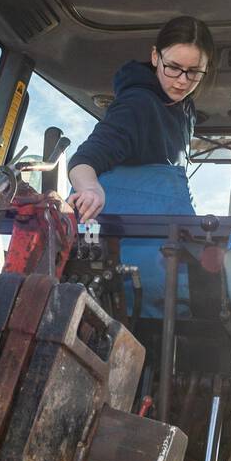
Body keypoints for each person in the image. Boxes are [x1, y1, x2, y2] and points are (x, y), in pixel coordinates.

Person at [66, 16, 217, 320]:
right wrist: (90, 187)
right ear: (154, 57)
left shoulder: (184, 109)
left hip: (163, 244)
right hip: (130, 252)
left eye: (194, 72)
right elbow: (84, 160)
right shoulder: (138, 104)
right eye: (173, 67)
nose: (182, 80)